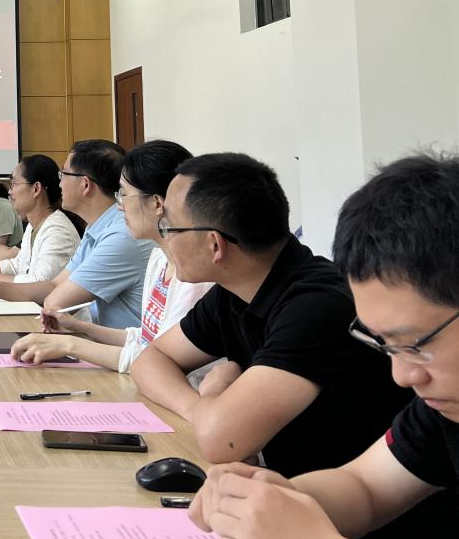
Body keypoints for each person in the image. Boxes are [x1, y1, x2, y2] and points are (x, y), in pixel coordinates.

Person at [189, 153, 459, 539]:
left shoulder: (314, 301)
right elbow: (365, 487)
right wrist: (274, 498)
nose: (402, 376)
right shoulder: (443, 411)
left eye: (416, 344)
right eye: (385, 344)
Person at [131, 152, 411, 478]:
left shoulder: (316, 306)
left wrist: (216, 392)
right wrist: (201, 409)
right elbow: (149, 361)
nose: (165, 238)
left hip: (356, 501)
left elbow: (223, 441)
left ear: (214, 245)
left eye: (169, 227)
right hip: (295, 487)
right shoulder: (234, 291)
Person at [8, 141, 214, 373]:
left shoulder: (194, 276)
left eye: (124, 195)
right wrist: (79, 327)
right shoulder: (159, 258)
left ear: (156, 203)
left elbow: (160, 360)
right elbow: (147, 338)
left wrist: (71, 344)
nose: (119, 206)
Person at [0, 139, 152, 330]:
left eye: (64, 174)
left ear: (85, 184)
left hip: (116, 346)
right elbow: (54, 285)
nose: (59, 183)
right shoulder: (97, 228)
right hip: (98, 338)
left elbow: (55, 301)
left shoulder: (119, 236)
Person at [0, 154, 80, 284]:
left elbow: (41, 284)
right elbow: (17, 265)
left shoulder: (57, 230)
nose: (10, 192)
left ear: (36, 189)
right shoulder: (33, 226)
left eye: (13, 184)